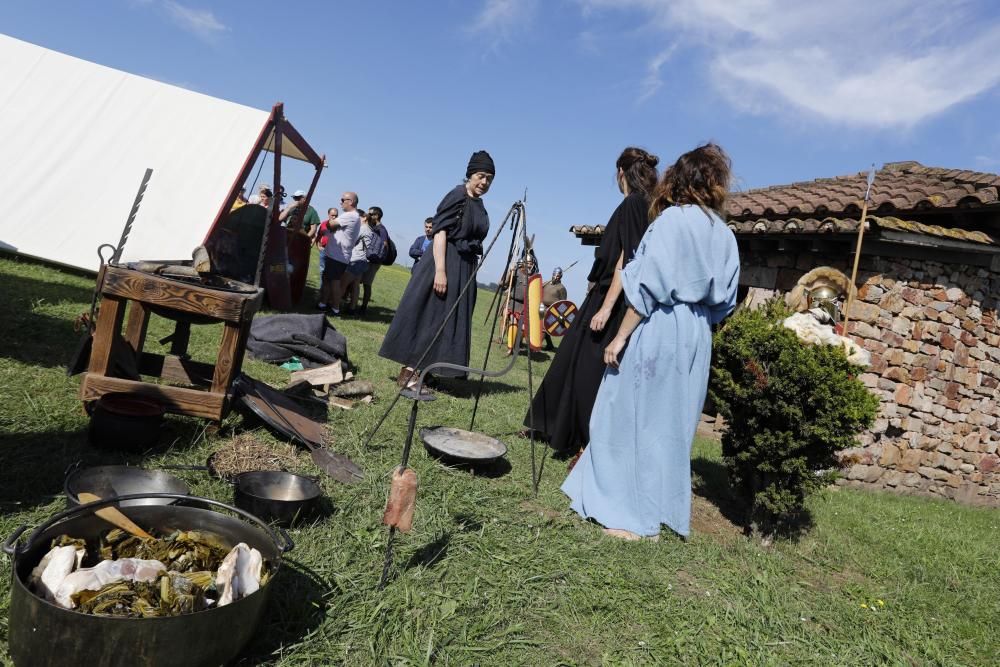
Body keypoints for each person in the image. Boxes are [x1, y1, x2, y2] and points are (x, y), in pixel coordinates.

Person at [562, 143, 740, 541]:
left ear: (680, 179)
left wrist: (619, 338)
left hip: (660, 325)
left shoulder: (672, 222)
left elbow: (646, 288)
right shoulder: (724, 234)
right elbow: (726, 302)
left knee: (628, 414)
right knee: (672, 424)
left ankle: (628, 516)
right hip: (697, 335)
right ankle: (658, 508)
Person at [523, 147, 659, 454]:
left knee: (588, 370)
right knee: (570, 359)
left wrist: (607, 306)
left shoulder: (634, 205)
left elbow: (628, 259)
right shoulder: (644, 206)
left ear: (621, 173)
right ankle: (551, 427)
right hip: (607, 295)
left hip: (612, 298)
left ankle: (584, 442)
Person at [379, 151, 495, 391]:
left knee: (448, 319)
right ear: (470, 174)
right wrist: (441, 271)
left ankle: (429, 370)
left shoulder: (478, 203)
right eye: (481, 176)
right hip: (445, 261)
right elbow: (440, 233)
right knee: (430, 316)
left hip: (465, 266)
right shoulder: (457, 196)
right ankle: (408, 372)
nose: (484, 182)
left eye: (489, 179)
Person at [319, 192, 361, 314]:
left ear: (351, 201)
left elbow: (331, 224)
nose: (340, 202)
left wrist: (330, 223)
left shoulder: (350, 216)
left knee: (334, 283)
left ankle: (335, 308)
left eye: (343, 200)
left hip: (338, 256)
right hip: (335, 255)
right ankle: (323, 304)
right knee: (328, 281)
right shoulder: (352, 216)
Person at [341, 212, 376, 315]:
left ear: (364, 218)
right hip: (363, 261)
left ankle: (334, 305)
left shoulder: (363, 228)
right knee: (355, 285)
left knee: (343, 283)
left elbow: (351, 240)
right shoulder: (370, 230)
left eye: (359, 218)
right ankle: (352, 308)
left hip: (356, 260)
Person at [358, 206, 390, 315]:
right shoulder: (374, 227)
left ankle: (363, 307)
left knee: (367, 284)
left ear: (377, 216)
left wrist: (376, 253)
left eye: (371, 214)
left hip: (374, 261)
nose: (368, 215)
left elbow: (385, 244)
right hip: (369, 259)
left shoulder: (381, 229)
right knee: (357, 280)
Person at [541, 266, 568, 350]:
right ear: (552, 274)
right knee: (543, 326)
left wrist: (559, 314)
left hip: (552, 310)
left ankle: (537, 345)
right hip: (542, 307)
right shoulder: (546, 283)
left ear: (560, 276)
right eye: (555, 275)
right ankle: (550, 345)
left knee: (544, 328)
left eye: (558, 276)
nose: (556, 277)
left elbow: (563, 303)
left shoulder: (561, 288)